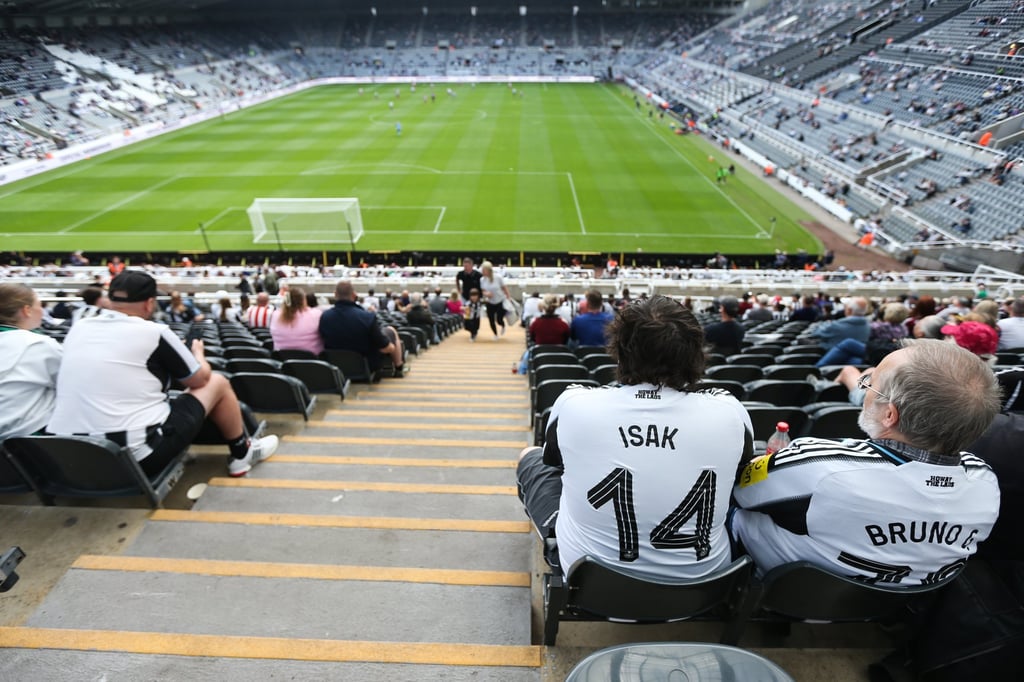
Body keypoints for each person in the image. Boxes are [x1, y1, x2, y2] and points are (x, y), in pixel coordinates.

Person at [516, 295, 753, 580]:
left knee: (531, 458)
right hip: (704, 585)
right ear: (694, 352)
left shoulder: (574, 402)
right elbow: (741, 474)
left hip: (591, 583)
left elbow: (553, 462)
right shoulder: (729, 410)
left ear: (619, 350)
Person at [732, 339, 1001, 584]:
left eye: (870, 384)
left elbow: (742, 493)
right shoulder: (985, 482)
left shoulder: (821, 464)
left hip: (797, 587)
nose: (865, 389)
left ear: (889, 415)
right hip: (895, 603)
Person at [47, 271, 279, 478]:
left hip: (67, 456)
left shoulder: (79, 327)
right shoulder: (154, 331)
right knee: (217, 381)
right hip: (134, 458)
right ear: (149, 304)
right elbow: (199, 379)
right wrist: (198, 354)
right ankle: (242, 453)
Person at [0, 284, 62, 440]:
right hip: (20, 444)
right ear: (26, 310)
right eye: (39, 305)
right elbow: (71, 385)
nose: (42, 311)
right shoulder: (40, 345)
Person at [319, 280, 405, 377]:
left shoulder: (324, 317)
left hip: (337, 368)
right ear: (354, 295)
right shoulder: (367, 317)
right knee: (390, 331)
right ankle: (399, 367)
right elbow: (385, 348)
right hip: (366, 367)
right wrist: (392, 347)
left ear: (335, 294)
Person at [269, 286, 323, 356]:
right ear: (304, 300)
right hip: (312, 361)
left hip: (282, 360)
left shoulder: (275, 315)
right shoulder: (316, 314)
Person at [805, 296, 871, 349]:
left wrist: (824, 324)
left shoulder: (836, 326)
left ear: (849, 310)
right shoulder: (869, 327)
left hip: (831, 360)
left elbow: (815, 333)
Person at [479, 261, 512, 339]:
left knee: (499, 318)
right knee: (490, 319)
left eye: (484, 270)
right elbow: (482, 290)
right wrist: (486, 294)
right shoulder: (482, 279)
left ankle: (502, 325)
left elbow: (504, 288)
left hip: (500, 300)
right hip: (489, 301)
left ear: (488, 270)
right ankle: (495, 334)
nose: (482, 272)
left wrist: (508, 297)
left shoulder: (498, 277)